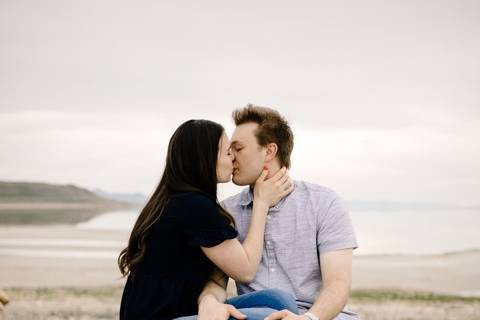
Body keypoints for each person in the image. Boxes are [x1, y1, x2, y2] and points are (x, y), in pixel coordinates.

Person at [118, 119, 296, 320]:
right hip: (164, 316)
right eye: (228, 152)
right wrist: (261, 204)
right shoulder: (194, 206)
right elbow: (245, 271)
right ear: (206, 158)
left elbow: (217, 275)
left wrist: (209, 300)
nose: (233, 160)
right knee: (272, 315)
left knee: (278, 301)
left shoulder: (177, 199)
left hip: (186, 308)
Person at [195, 105, 359, 320]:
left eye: (239, 148)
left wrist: (309, 318)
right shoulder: (227, 211)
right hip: (257, 315)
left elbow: (338, 282)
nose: (231, 157)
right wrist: (209, 301)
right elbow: (216, 281)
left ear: (269, 151)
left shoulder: (324, 202)